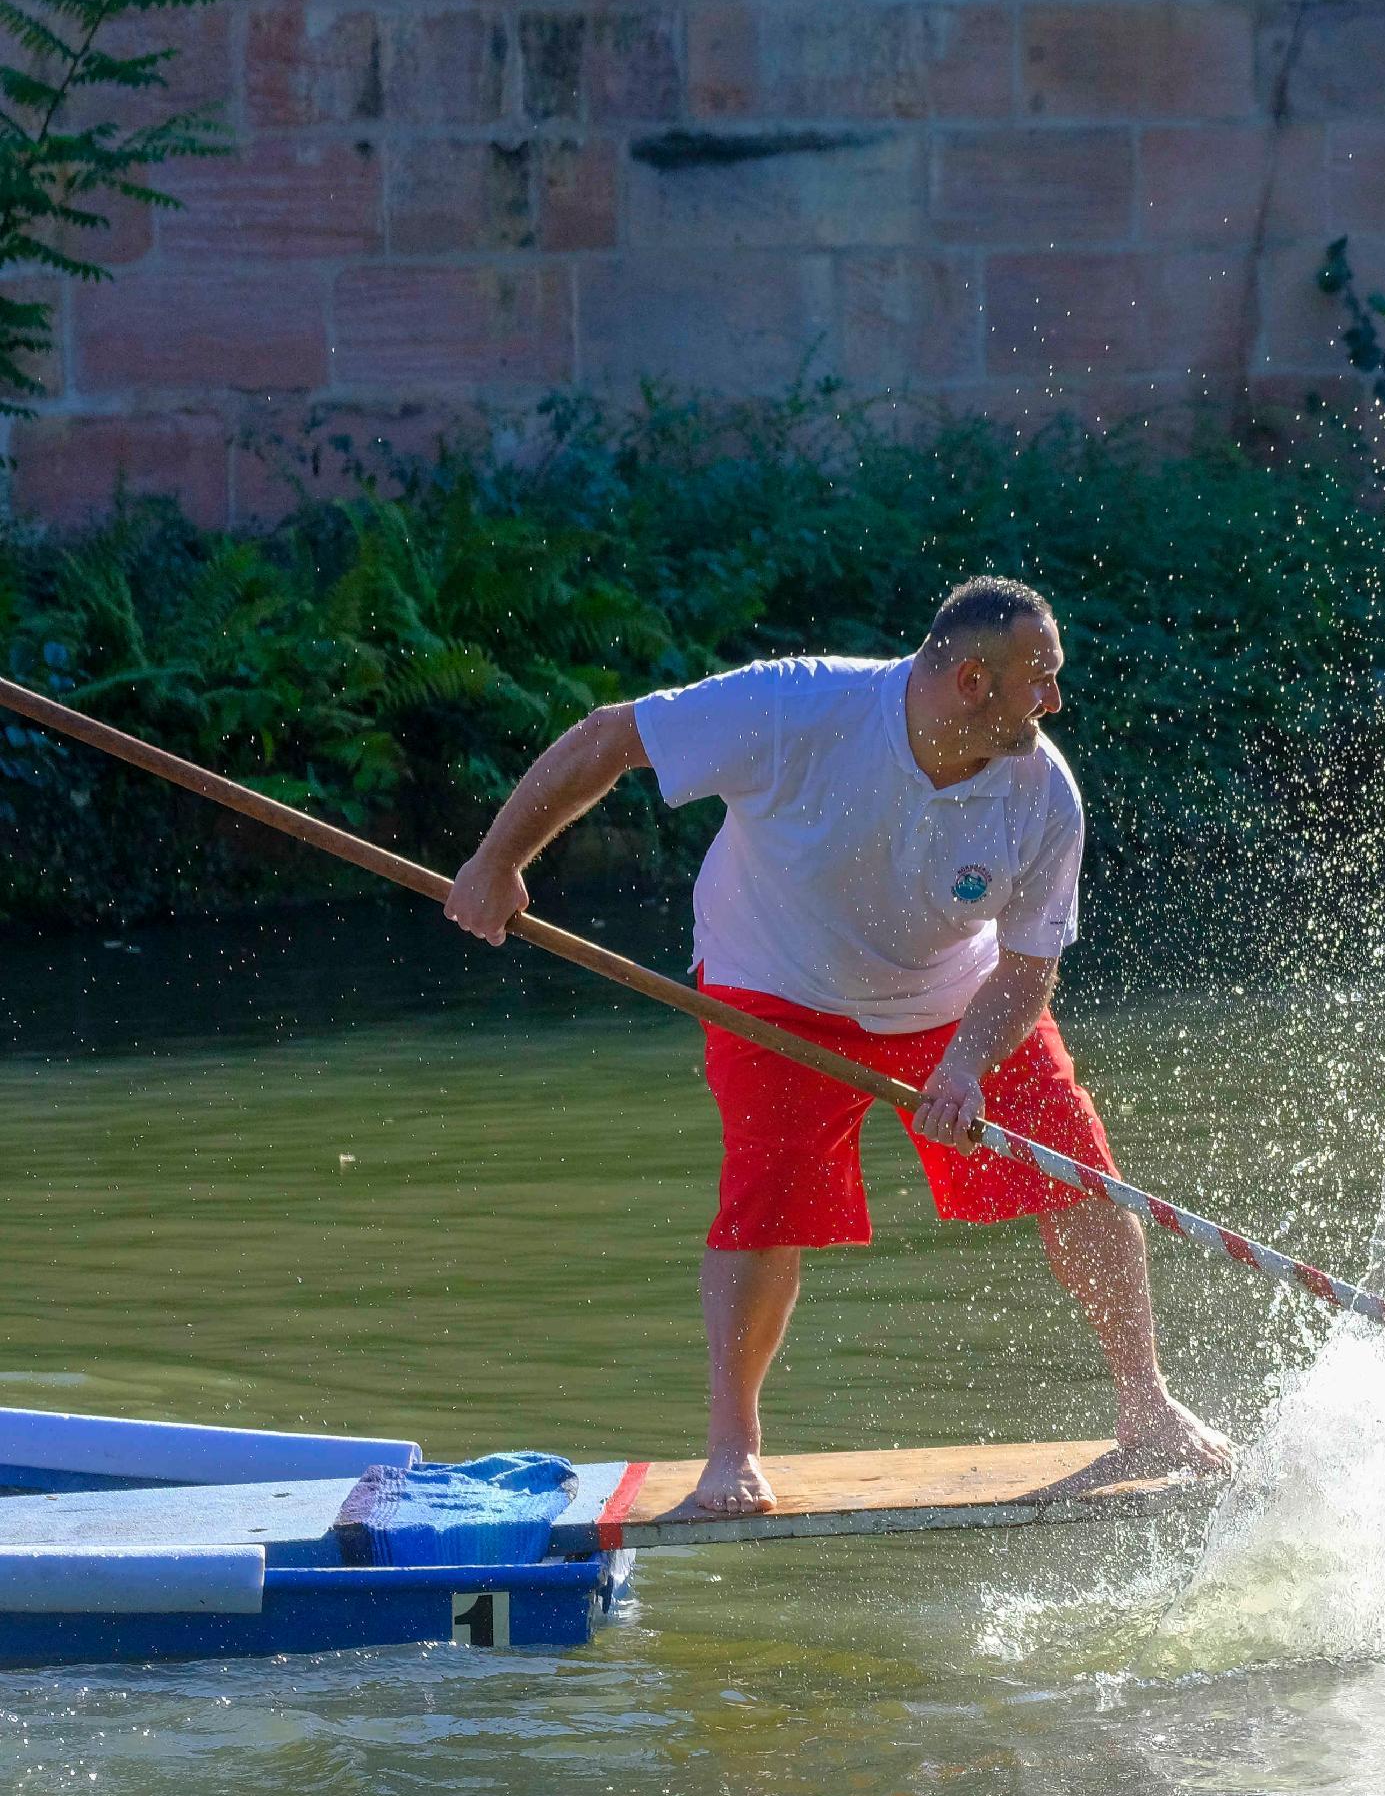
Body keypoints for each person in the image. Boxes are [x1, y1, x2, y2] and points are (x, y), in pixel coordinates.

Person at [445, 577, 1232, 1513]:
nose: (1055, 700)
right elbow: (610, 736)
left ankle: (1147, 1405)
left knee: (1080, 1170)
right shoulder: (795, 707)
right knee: (766, 1202)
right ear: (973, 682)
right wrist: (497, 862)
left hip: (958, 995)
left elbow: (1027, 970)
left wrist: (965, 1064)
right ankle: (733, 1449)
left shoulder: (1044, 793)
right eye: (1041, 678)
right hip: (775, 986)